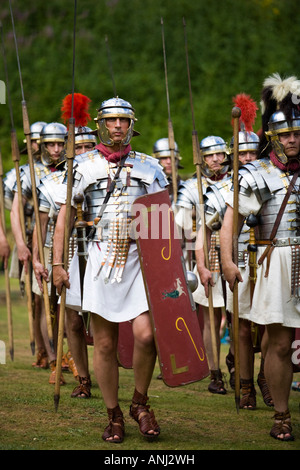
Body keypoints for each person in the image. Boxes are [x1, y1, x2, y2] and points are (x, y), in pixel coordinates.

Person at [52, 97, 168, 443]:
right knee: (103, 343)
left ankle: (140, 403)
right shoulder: (82, 165)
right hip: (99, 258)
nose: (118, 126)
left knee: (147, 334)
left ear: (132, 124)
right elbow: (65, 219)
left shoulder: (150, 167)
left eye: (124, 120)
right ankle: (113, 414)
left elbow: (163, 223)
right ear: (102, 124)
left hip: (141, 260)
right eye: (112, 121)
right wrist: (58, 264)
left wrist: (169, 269)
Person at [220, 73, 300, 441]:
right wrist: (226, 259)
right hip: (278, 261)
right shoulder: (259, 173)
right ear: (273, 136)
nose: (293, 139)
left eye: (297, 133)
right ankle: (282, 415)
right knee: (280, 342)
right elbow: (230, 221)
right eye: (285, 134)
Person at [202, 94, 272, 409]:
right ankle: (245, 384)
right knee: (241, 325)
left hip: (271, 260)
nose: (246, 159)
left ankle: (267, 377)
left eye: (251, 154)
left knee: (272, 325)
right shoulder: (224, 188)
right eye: (240, 154)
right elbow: (214, 226)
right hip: (241, 260)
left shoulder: (272, 179)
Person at [10, 121, 68, 383]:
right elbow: (15, 211)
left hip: (68, 241)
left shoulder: (72, 170)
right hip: (39, 240)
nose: (55, 150)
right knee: (41, 299)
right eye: (50, 144)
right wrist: (21, 244)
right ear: (42, 145)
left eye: (60, 144)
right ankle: (51, 355)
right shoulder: (29, 172)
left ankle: (64, 355)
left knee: (67, 303)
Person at [176, 135, 229, 394]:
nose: (215, 159)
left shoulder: (238, 180)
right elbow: (182, 222)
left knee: (242, 321)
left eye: (219, 154)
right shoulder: (192, 186)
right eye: (209, 155)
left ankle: (240, 369)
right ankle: (214, 370)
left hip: (240, 253)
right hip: (206, 254)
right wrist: (199, 216)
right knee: (210, 317)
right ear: (202, 159)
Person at [152, 137, 183, 203]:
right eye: (164, 158)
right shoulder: (150, 186)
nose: (169, 162)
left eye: (172, 158)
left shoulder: (184, 186)